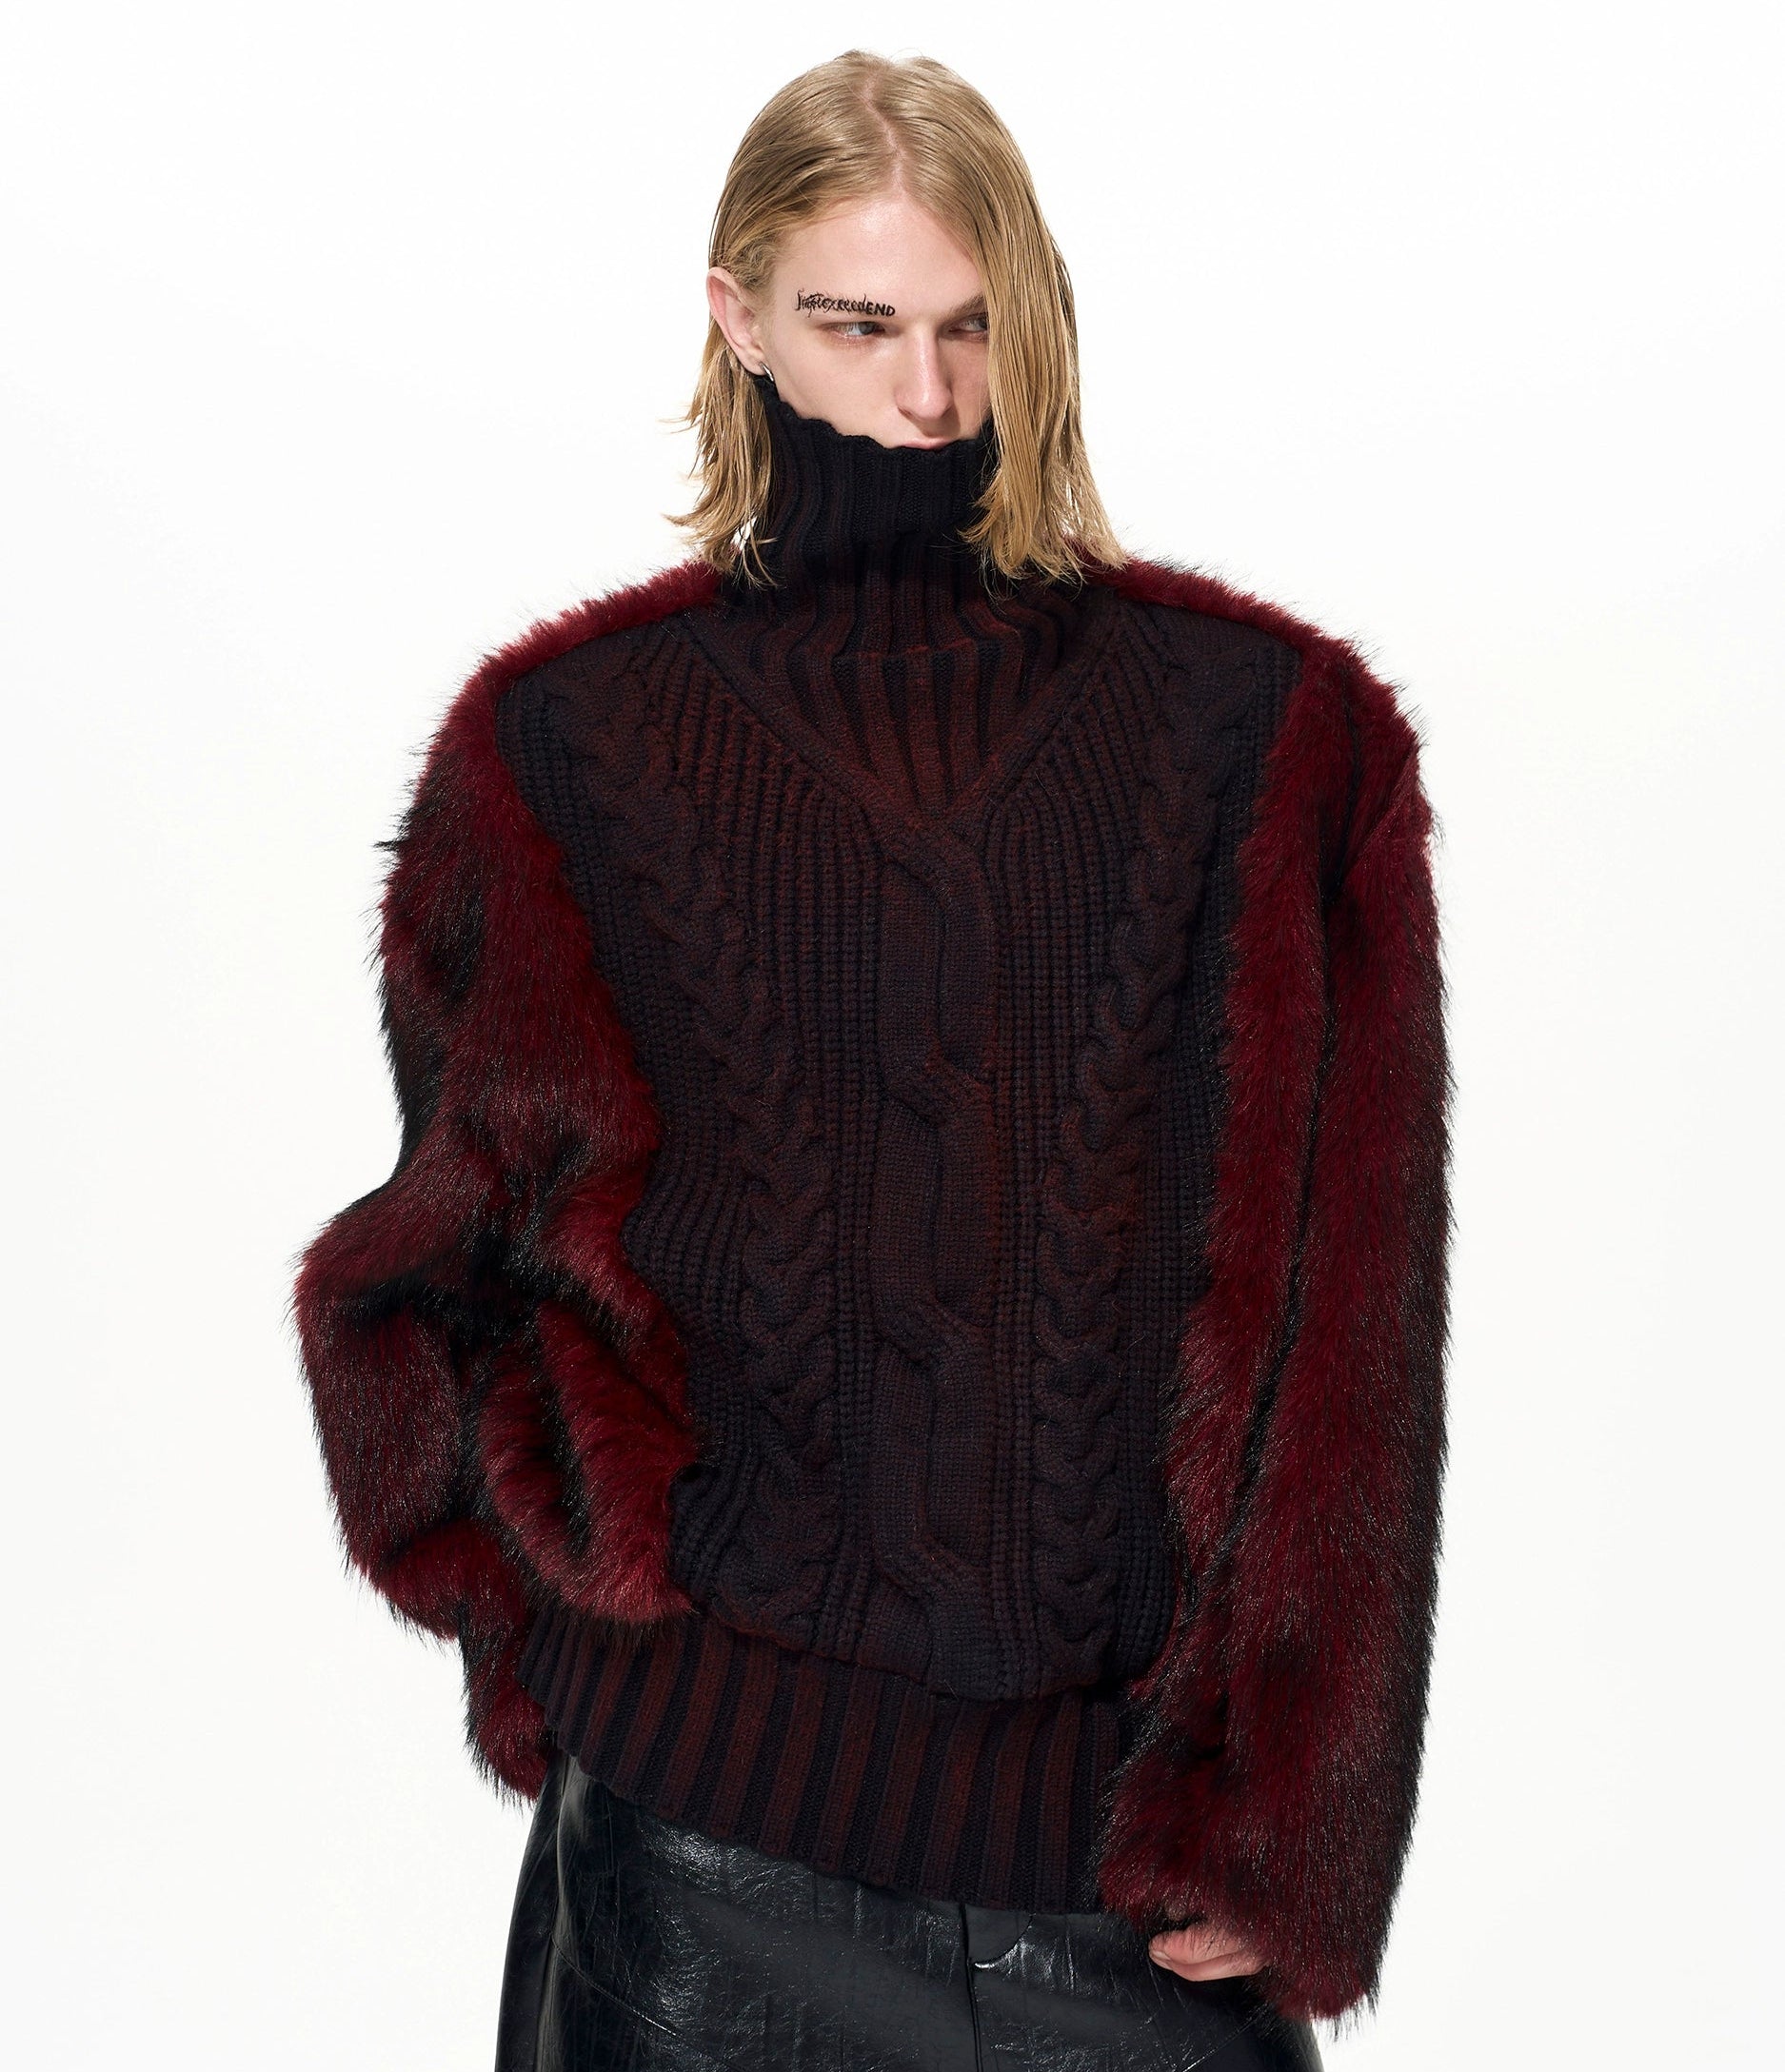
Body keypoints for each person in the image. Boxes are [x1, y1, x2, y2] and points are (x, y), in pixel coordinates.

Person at [292, 48, 1451, 2072]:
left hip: (1130, 1890)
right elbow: (440, 1276)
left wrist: (1299, 1826)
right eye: (856, 326)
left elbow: (1352, 1333)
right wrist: (569, 1637)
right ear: (735, 317)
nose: (926, 396)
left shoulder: (1268, 736)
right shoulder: (562, 748)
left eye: (972, 327)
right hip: (704, 1868)